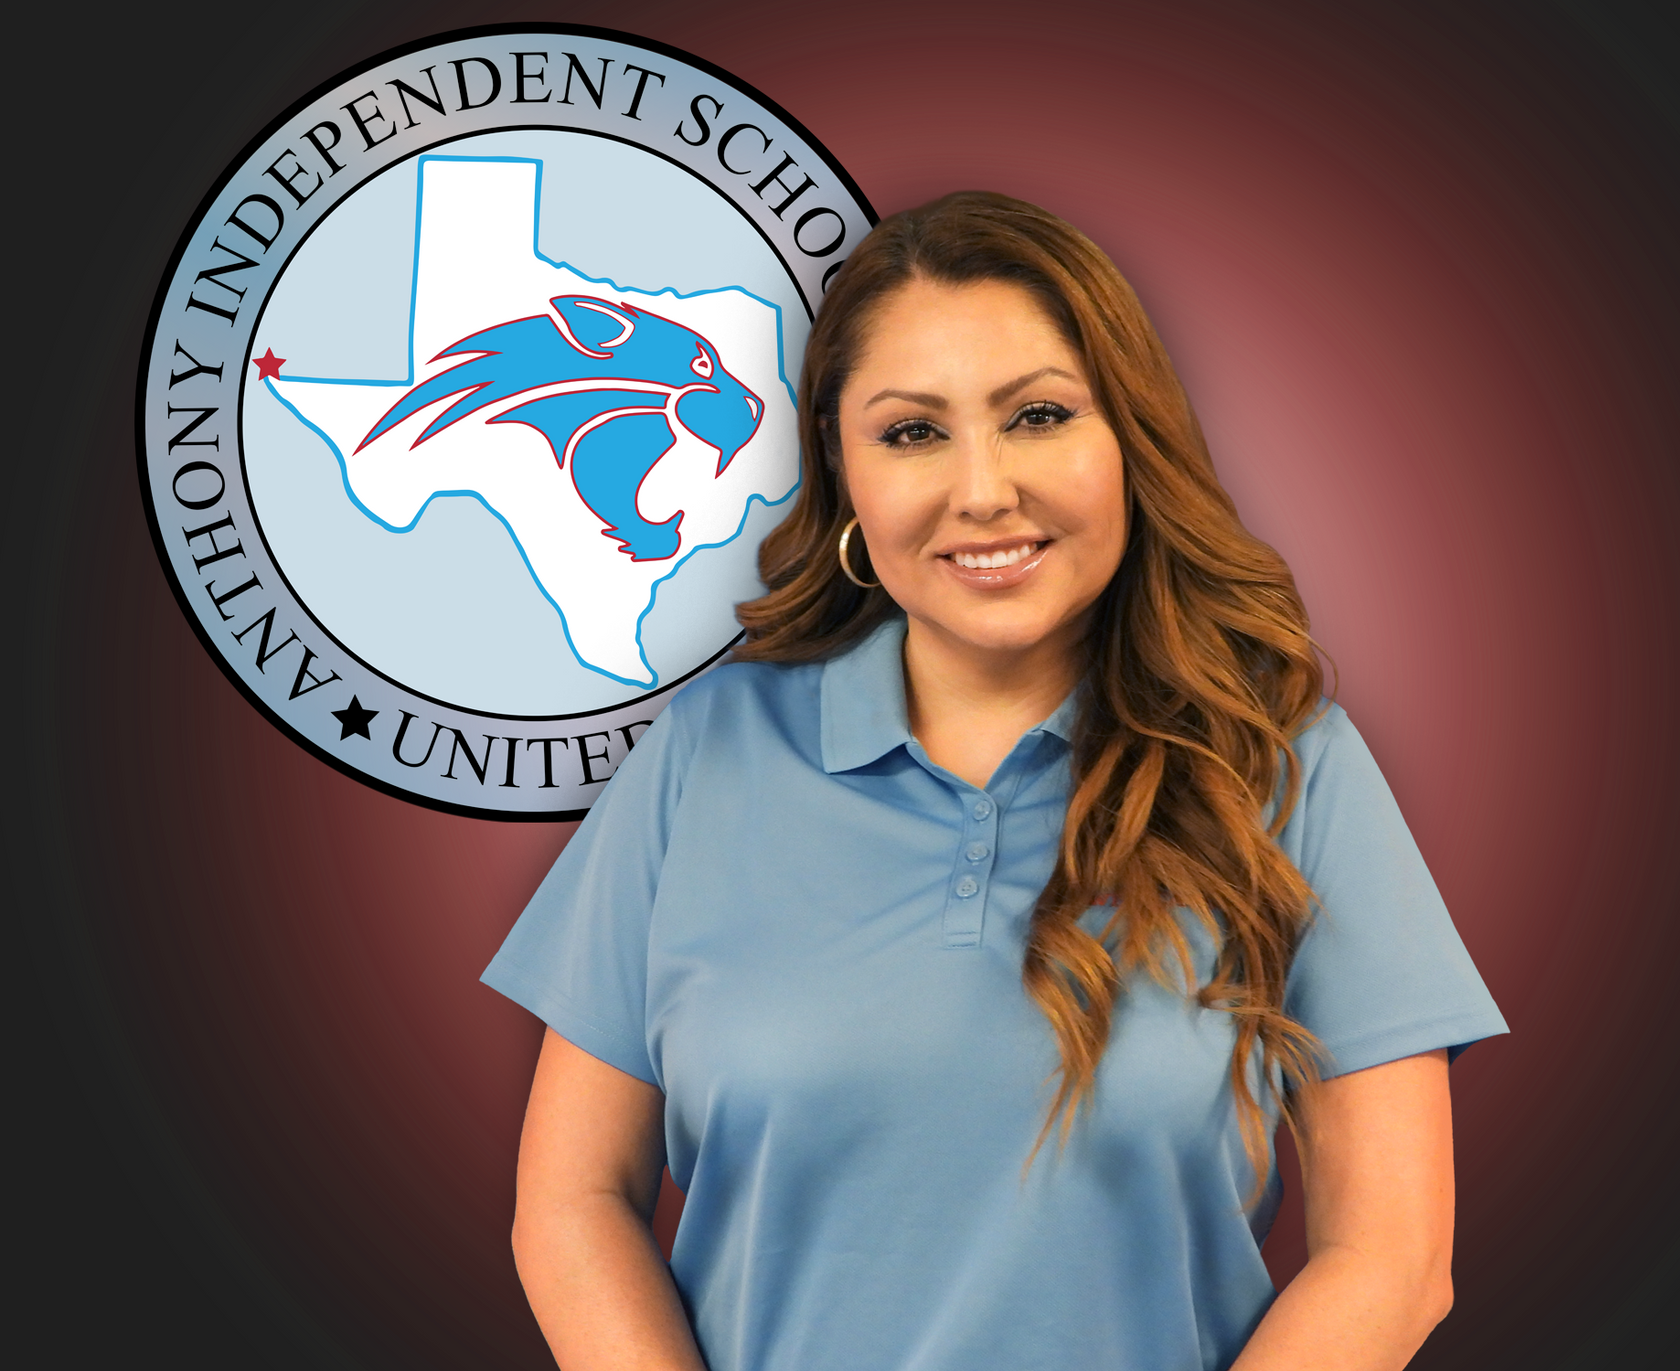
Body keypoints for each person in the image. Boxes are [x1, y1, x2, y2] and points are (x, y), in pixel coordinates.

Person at [482, 191, 1507, 1371]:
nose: (982, 491)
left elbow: (1392, 1260)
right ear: (845, 471)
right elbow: (572, 1205)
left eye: (1037, 416)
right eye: (914, 433)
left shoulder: (1286, 766)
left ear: (1130, 435)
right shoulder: (708, 750)